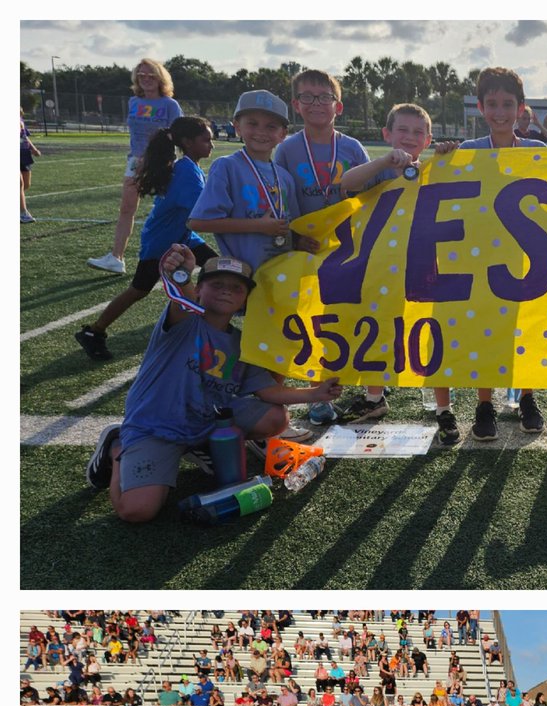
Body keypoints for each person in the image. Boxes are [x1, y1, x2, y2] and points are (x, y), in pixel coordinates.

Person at [84, 245, 342, 523]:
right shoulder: (185, 320)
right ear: (198, 290)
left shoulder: (242, 343)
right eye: (216, 284)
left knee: (276, 418)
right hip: (155, 426)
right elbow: (180, 294)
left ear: (244, 300)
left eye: (236, 287)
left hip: (204, 420)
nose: (226, 290)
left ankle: (201, 445)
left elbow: (268, 391)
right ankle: (116, 446)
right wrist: (183, 271)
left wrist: (315, 392)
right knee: (136, 511)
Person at [434, 67, 546, 443]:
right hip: (482, 258)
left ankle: (528, 397)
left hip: (526, 260)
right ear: (481, 107)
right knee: (486, 328)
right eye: (493, 104)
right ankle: (484, 404)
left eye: (508, 104)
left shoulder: (538, 152)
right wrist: (447, 159)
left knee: (523, 329)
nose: (500, 112)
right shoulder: (468, 152)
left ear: (521, 108)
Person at [274, 69, 380, 426]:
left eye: (324, 97)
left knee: (345, 320)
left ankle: (355, 386)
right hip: (305, 250)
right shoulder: (287, 150)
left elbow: (373, 192)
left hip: (349, 250)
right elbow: (280, 199)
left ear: (339, 105)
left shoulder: (352, 147)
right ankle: (319, 395)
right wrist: (291, 238)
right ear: (296, 105)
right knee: (315, 323)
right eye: (308, 97)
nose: (317, 104)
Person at [76, 117, 218, 361]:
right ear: (187, 142)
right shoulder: (186, 172)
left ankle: (211, 313)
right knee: (138, 290)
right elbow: (204, 213)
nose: (211, 146)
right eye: (206, 140)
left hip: (182, 237)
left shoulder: (188, 167)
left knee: (217, 268)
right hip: (163, 242)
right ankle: (94, 331)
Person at [188, 90, 309, 274]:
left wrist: (300, 240)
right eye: (252, 123)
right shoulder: (226, 167)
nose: (261, 131)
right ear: (237, 126)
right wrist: (258, 226)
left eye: (271, 126)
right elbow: (198, 222)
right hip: (241, 278)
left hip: (281, 276)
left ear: (283, 134)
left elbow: (292, 226)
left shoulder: (285, 177)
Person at [87, 59, 182, 274]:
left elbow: (178, 133)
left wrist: (154, 156)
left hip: (162, 162)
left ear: (160, 77)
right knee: (126, 209)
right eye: (142, 75)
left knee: (167, 211)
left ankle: (173, 258)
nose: (146, 79)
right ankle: (116, 258)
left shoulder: (169, 104)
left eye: (151, 75)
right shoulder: (133, 102)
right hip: (134, 161)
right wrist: (139, 158)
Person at [20, 109, 41, 222]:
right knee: (19, 183)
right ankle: (23, 213)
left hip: (24, 153)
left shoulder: (20, 120)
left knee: (26, 185)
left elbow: (25, 137)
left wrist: (33, 149)